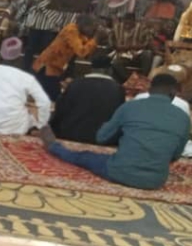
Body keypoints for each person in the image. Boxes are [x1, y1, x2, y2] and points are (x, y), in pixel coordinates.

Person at [40, 74, 191, 190]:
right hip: (155, 181)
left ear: (150, 90)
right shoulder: (184, 118)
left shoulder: (131, 106)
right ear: (174, 92)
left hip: (119, 172)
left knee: (83, 156)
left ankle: (53, 146)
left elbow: (101, 138)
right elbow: (175, 155)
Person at [49, 55, 126, 145]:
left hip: (71, 134)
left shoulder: (75, 84)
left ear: (91, 68)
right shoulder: (117, 89)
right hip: (102, 139)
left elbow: (60, 109)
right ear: (109, 70)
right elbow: (119, 118)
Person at [32, 15, 100, 100]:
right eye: (92, 28)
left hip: (56, 68)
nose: (93, 30)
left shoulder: (81, 34)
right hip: (47, 67)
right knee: (52, 96)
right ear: (84, 25)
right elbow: (81, 52)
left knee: (52, 96)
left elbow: (87, 51)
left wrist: (94, 39)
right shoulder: (71, 30)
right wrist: (96, 38)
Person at [13, 0, 72, 71]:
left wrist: (42, 3)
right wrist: (30, 1)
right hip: (34, 24)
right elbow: (23, 0)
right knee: (29, 49)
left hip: (49, 26)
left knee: (46, 50)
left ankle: (42, 72)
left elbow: (63, 7)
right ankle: (25, 70)